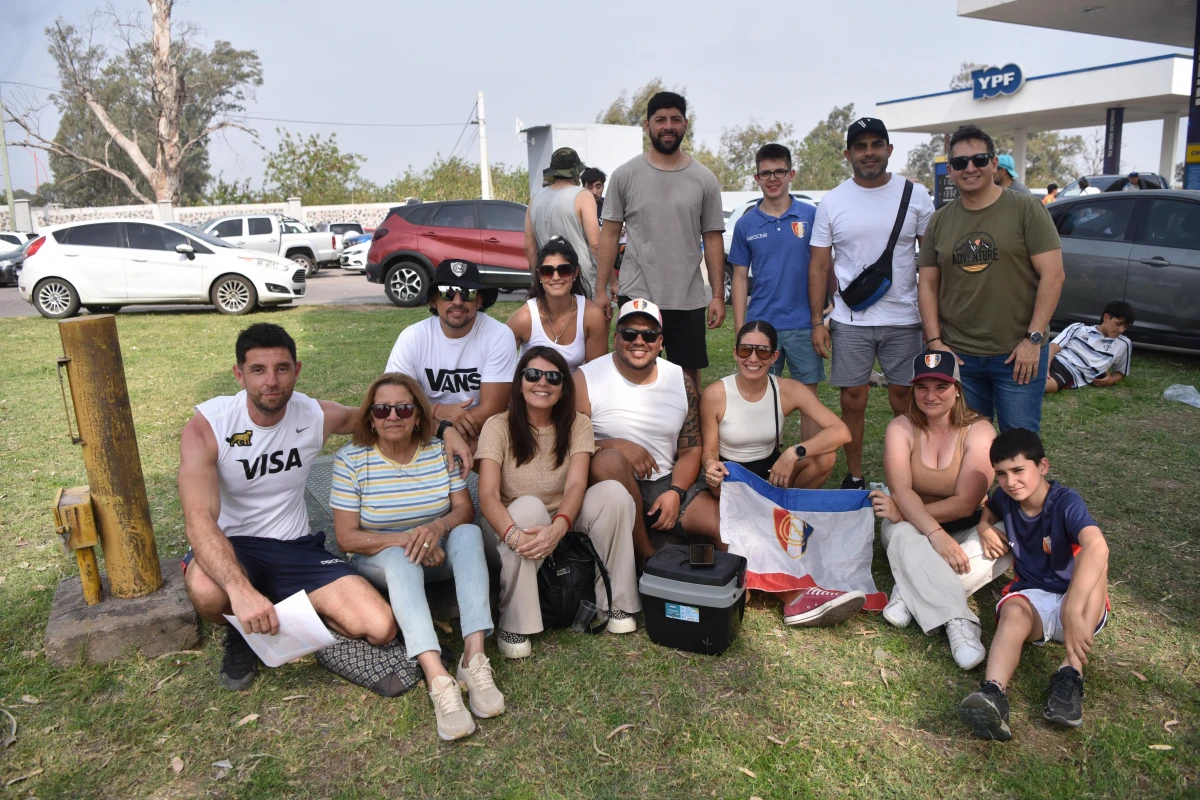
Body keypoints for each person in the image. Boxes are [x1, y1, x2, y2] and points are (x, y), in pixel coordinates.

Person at [178, 323, 471, 695]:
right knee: (208, 590)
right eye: (258, 370)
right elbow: (198, 519)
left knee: (381, 627)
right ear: (239, 374)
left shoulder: (314, 415)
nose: (271, 381)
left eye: (282, 369)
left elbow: (384, 415)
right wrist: (239, 589)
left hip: (295, 548)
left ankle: (288, 618)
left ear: (297, 371)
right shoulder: (209, 427)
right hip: (231, 544)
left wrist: (446, 428)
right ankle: (241, 631)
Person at [331, 374, 500, 741]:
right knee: (400, 558)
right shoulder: (350, 461)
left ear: (420, 416)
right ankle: (437, 676)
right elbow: (347, 537)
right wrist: (412, 540)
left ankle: (474, 658)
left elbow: (463, 511)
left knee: (469, 534)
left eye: (404, 408)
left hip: (438, 552)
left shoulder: (440, 452)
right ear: (370, 417)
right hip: (381, 561)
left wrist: (436, 530)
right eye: (382, 409)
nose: (393, 416)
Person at [477, 347, 640, 658]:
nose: (543, 383)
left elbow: (578, 483)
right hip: (508, 524)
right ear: (519, 381)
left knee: (614, 495)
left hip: (562, 517)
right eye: (533, 375)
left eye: (553, 377)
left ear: (564, 386)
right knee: (528, 507)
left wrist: (559, 526)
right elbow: (487, 495)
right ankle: (514, 622)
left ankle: (617, 604)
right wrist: (513, 534)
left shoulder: (577, 424)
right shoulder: (498, 426)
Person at [958, 429, 1110, 741]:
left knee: (1095, 564)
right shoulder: (1007, 498)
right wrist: (984, 525)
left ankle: (1069, 677)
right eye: (1001, 474)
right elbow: (992, 506)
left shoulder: (1065, 501)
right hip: (1034, 600)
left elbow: (1098, 547)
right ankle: (994, 694)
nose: (1010, 481)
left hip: (1080, 605)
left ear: (1042, 466)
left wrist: (1071, 608)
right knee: (1014, 610)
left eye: (1018, 470)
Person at [809, 117, 935, 489]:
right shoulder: (833, 201)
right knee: (852, 401)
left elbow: (930, 263)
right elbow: (818, 265)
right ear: (848, 154)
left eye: (876, 144)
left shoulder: (916, 195)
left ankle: (911, 477)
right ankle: (855, 475)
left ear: (889, 150)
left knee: (906, 399)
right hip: (850, 320)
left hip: (905, 318)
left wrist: (934, 325)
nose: (869, 153)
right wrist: (818, 321)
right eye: (860, 146)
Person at [917, 124, 1065, 433]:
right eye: (959, 162)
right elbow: (928, 285)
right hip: (961, 357)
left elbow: (1053, 275)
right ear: (951, 169)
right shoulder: (939, 221)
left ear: (994, 164)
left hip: (1017, 354)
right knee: (966, 442)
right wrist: (935, 342)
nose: (970, 168)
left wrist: (1033, 340)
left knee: (1019, 443)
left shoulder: (1027, 210)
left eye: (979, 159)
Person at [871, 352, 1012, 669]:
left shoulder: (980, 431)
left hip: (960, 522)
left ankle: (908, 593)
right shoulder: (901, 427)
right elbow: (902, 491)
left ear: (958, 389)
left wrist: (912, 518)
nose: (930, 395)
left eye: (941, 386)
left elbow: (965, 502)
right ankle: (959, 621)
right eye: (922, 387)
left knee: (1005, 540)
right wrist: (933, 533)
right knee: (903, 535)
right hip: (910, 523)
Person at [595, 91, 726, 388]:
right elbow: (610, 234)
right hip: (637, 294)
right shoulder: (625, 175)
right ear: (647, 125)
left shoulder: (704, 179)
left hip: (688, 296)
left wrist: (717, 295)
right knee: (633, 374)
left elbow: (713, 238)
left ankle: (688, 435)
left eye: (675, 120)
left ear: (685, 124)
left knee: (687, 381)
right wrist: (601, 288)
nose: (668, 126)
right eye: (660, 120)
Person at [575, 299, 720, 563]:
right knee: (609, 461)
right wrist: (615, 445)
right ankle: (647, 558)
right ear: (616, 338)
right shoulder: (586, 378)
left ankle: (736, 582)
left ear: (661, 341)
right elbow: (567, 441)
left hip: (663, 482)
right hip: (607, 487)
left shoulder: (680, 380)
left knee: (720, 525)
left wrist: (675, 493)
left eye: (649, 334)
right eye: (630, 333)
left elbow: (690, 450)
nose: (639, 341)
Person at [701, 320, 849, 492]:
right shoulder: (715, 394)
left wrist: (795, 452)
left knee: (825, 457)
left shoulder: (787, 390)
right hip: (730, 474)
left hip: (772, 470)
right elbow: (709, 451)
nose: (753, 358)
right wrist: (710, 464)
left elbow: (841, 432)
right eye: (745, 350)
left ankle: (791, 508)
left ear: (774, 357)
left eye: (763, 352)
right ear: (735, 353)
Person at [384, 259, 517, 450]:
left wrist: (442, 429)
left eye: (467, 294)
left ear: (479, 300)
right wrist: (437, 412)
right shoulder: (412, 337)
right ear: (433, 299)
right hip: (426, 431)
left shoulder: (498, 335)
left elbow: (491, 410)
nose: (457, 301)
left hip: (481, 434)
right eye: (448, 292)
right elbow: (392, 400)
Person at [729, 144, 824, 392]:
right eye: (765, 173)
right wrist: (740, 326)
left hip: (804, 324)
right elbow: (739, 278)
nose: (772, 179)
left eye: (779, 172)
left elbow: (826, 265)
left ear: (791, 174)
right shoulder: (745, 224)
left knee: (808, 398)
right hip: (761, 324)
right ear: (756, 179)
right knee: (760, 396)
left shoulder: (812, 216)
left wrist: (825, 315)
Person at [506, 237, 608, 373]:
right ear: (539, 276)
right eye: (547, 271)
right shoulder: (524, 319)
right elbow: (500, 368)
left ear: (575, 273)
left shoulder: (592, 316)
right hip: (532, 390)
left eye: (564, 270)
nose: (555, 277)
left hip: (574, 391)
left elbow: (597, 372)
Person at [525, 148, 601, 300]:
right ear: (576, 172)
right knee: (588, 322)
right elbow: (596, 244)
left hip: (549, 281)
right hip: (581, 281)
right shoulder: (583, 196)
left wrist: (541, 279)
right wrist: (610, 280)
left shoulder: (535, 199)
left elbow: (529, 248)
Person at [1045, 301, 1134, 394]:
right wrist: (1046, 366)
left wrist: (1111, 380)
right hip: (1052, 360)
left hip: (1070, 373)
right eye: (1118, 324)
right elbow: (1053, 347)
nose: (1121, 330)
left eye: (1125, 326)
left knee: (1041, 386)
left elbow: (1121, 372)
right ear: (1106, 317)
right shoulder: (1078, 328)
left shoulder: (1123, 344)